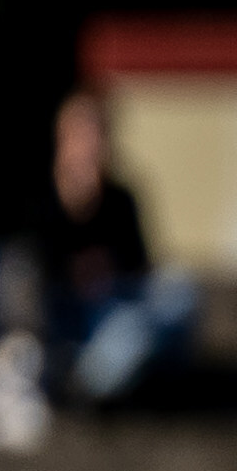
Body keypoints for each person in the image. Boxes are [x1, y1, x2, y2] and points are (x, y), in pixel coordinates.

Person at [12, 88, 196, 407]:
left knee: (179, 295)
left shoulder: (122, 198)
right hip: (66, 319)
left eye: (98, 134)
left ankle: (115, 379)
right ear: (62, 139)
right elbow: (36, 271)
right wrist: (77, 203)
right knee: (131, 337)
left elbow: (141, 264)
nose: (91, 145)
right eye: (82, 135)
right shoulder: (40, 197)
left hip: (116, 307)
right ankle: (85, 382)